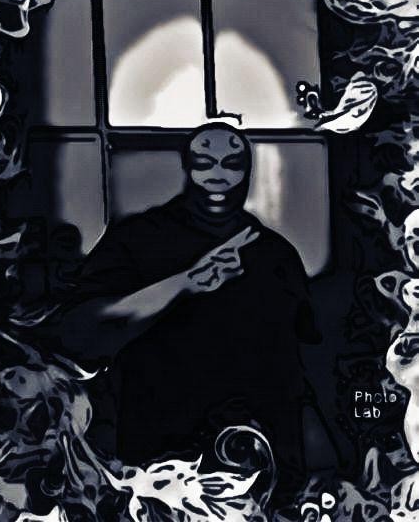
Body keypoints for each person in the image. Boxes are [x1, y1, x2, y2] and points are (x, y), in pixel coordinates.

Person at [37, 122, 321, 505]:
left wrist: (305, 458)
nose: (218, 177)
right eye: (204, 163)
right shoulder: (137, 239)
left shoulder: (275, 254)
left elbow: (299, 364)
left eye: (231, 164)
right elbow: (79, 331)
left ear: (248, 171)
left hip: (263, 459)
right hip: (163, 456)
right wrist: (182, 284)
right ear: (187, 167)